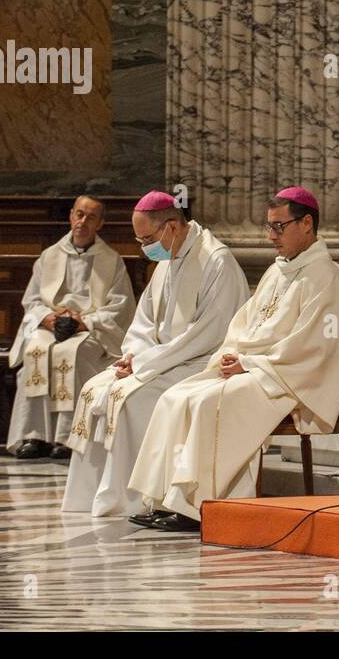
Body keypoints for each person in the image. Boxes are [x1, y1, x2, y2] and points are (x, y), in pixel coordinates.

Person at [128, 188, 339, 532]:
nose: (270, 236)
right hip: (259, 369)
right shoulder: (278, 271)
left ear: (307, 223)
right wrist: (230, 355)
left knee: (208, 404)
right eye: (269, 226)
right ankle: (165, 498)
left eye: (279, 227)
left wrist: (250, 364)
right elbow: (244, 324)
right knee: (175, 397)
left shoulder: (329, 277)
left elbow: (317, 349)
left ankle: (201, 506)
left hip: (290, 379)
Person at [60, 191, 248, 517]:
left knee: (132, 401)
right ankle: (89, 496)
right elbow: (145, 320)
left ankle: (133, 498)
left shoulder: (217, 261)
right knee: (96, 389)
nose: (144, 246)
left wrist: (145, 364)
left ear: (171, 227)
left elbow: (210, 333)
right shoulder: (168, 259)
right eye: (139, 238)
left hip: (200, 363)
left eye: (147, 238)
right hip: (162, 360)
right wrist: (132, 355)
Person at [6, 195, 134, 459]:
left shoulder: (112, 260)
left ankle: (67, 437)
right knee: (36, 350)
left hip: (89, 328)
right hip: (52, 323)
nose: (83, 222)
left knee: (74, 354)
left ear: (100, 223)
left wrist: (83, 321)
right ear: (71, 216)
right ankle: (34, 436)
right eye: (79, 214)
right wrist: (48, 318)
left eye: (91, 217)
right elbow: (31, 300)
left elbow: (119, 307)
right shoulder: (49, 256)